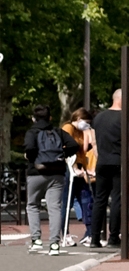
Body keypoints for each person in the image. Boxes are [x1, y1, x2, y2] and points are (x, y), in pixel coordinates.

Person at [23, 108, 76, 254]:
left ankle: (36, 240)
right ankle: (54, 244)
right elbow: (74, 145)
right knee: (54, 207)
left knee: (32, 205)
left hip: (36, 173)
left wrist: (32, 158)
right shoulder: (58, 132)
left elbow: (30, 148)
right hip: (57, 173)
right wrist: (62, 155)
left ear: (33, 118)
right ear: (50, 118)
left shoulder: (32, 132)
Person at [86, 87, 126, 249]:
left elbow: (94, 142)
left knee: (100, 199)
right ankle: (113, 237)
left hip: (102, 161)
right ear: (122, 99)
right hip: (119, 161)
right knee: (117, 199)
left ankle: (95, 238)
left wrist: (99, 156)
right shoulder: (124, 118)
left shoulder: (99, 118)